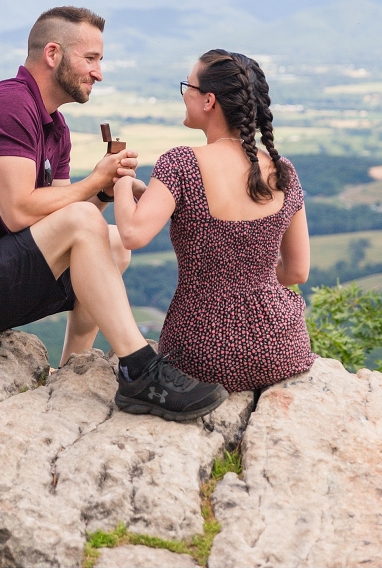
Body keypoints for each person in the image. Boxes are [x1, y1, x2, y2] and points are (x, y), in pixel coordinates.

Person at [0, 6, 228, 421]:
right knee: (87, 224)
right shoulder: (8, 103)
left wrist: (106, 189)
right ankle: (140, 369)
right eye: (91, 58)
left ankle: (72, 368)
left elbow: (60, 217)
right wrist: (92, 181)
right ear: (53, 54)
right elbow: (19, 212)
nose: (99, 73)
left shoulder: (54, 127)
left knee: (113, 242)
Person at [113, 48, 315, 394]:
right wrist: (251, 278)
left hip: (200, 352)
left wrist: (118, 179)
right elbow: (297, 272)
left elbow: (131, 234)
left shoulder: (180, 164)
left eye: (187, 87)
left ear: (208, 100)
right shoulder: (284, 172)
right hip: (280, 347)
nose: (184, 96)